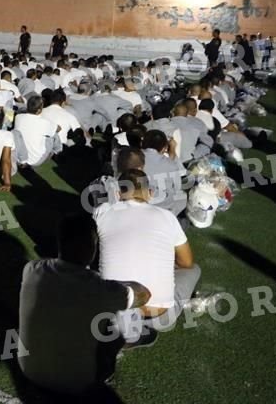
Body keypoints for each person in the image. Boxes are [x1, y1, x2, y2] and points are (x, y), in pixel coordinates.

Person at [18, 215, 150, 395]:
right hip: (76, 384)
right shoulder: (100, 289)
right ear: (92, 248)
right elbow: (144, 295)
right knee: (118, 321)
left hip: (29, 370)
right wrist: (119, 284)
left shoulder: (32, 268)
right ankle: (106, 372)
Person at [95, 169, 200, 339]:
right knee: (194, 269)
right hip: (158, 316)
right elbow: (186, 263)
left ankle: (121, 329)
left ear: (117, 193)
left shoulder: (103, 211)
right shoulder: (168, 217)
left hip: (110, 311)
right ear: (150, 193)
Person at [13, 95, 60, 168]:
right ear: (39, 110)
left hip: (18, 157)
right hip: (35, 160)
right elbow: (59, 129)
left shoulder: (18, 117)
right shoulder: (44, 122)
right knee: (54, 135)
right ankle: (57, 151)